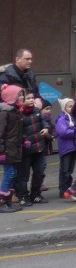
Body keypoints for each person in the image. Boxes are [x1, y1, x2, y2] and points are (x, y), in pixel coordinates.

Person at [14, 87, 50, 204]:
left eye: (32, 98)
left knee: (39, 172)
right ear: (20, 100)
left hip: (39, 147)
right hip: (25, 150)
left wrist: (46, 128)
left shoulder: (37, 111)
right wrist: (25, 140)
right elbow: (17, 131)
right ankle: (23, 196)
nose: (31, 100)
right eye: (28, 98)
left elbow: (44, 121)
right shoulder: (18, 114)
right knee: (23, 175)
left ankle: (36, 194)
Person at [0, 84, 25, 212]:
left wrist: (24, 140)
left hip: (13, 149)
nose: (21, 97)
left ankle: (7, 200)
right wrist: (1, 151)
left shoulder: (15, 112)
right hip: (7, 150)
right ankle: (2, 201)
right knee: (9, 173)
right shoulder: (5, 113)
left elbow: (17, 132)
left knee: (13, 173)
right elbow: (1, 133)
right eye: (19, 95)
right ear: (11, 97)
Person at [55, 98, 76, 199]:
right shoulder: (61, 119)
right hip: (66, 148)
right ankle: (63, 190)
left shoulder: (73, 118)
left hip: (73, 148)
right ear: (64, 108)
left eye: (73, 106)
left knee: (70, 170)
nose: (72, 108)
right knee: (65, 170)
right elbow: (64, 132)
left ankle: (68, 188)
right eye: (69, 106)